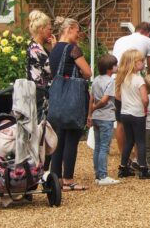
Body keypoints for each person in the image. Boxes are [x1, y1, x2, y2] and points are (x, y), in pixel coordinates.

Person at [48, 17, 92, 191]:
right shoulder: (73, 49)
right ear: (70, 29)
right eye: (77, 31)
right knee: (72, 139)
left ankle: (56, 176)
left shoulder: (54, 49)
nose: (78, 35)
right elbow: (87, 72)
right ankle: (68, 179)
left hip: (57, 99)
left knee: (59, 138)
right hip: (73, 99)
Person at [112, 22, 150, 159]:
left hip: (117, 80)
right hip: (133, 81)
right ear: (148, 33)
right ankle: (138, 156)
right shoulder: (149, 41)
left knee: (120, 120)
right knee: (137, 119)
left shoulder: (120, 40)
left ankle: (124, 156)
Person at [115, 49, 150, 179]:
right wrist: (146, 107)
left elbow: (119, 97)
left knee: (129, 141)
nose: (144, 63)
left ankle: (123, 167)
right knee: (140, 141)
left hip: (125, 113)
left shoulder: (123, 78)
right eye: (141, 61)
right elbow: (145, 99)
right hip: (138, 114)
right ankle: (143, 169)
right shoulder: (139, 80)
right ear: (134, 63)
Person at [89, 54, 119, 185]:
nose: (117, 67)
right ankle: (103, 175)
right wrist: (96, 107)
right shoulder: (110, 81)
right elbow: (105, 99)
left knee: (97, 146)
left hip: (96, 117)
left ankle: (97, 174)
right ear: (110, 68)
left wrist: (90, 113)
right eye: (115, 65)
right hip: (106, 116)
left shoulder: (95, 79)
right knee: (104, 147)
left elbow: (91, 98)